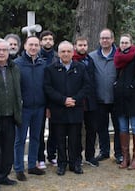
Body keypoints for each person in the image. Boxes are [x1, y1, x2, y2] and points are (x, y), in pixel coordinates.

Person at [44, 41, 90, 176]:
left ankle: (75, 163)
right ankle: (62, 163)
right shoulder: (50, 69)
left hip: (75, 108)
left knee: (75, 138)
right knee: (59, 138)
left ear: (72, 52)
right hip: (58, 109)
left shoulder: (80, 68)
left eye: (68, 51)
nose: (66, 54)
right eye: (63, 51)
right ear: (58, 53)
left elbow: (86, 86)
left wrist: (75, 99)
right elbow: (48, 88)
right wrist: (63, 100)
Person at [0, 39, 22, 191]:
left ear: (8, 52)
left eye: (4, 50)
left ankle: (4, 176)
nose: (1, 53)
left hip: (10, 115)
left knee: (8, 150)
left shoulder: (14, 68)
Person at [13, 36, 47, 181]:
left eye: (36, 45)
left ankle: (32, 165)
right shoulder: (17, 64)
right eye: (31, 45)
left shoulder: (42, 64)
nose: (33, 47)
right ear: (25, 46)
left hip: (39, 107)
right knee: (20, 139)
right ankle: (19, 168)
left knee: (35, 137)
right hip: (24, 108)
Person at [113, 34, 135, 169]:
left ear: (131, 43)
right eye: (122, 42)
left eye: (126, 42)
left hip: (134, 99)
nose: (124, 44)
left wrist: (132, 85)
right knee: (123, 128)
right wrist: (116, 84)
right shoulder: (118, 57)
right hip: (120, 99)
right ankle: (125, 157)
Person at [89, 28, 122, 164]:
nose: (105, 40)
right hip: (99, 98)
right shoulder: (92, 56)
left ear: (112, 39)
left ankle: (119, 153)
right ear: (99, 40)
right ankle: (104, 151)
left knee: (118, 127)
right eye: (102, 38)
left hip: (116, 99)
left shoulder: (120, 55)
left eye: (107, 38)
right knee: (101, 127)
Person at [73, 36, 99, 167]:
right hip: (77, 101)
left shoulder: (90, 60)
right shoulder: (72, 60)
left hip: (91, 101)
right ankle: (76, 156)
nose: (82, 47)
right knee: (77, 130)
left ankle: (90, 155)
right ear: (75, 46)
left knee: (92, 129)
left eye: (84, 45)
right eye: (80, 45)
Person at [38, 30, 59, 169]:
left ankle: (52, 155)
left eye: (50, 39)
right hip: (39, 98)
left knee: (55, 129)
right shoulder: (36, 56)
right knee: (39, 131)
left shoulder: (58, 57)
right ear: (41, 42)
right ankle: (40, 157)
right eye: (45, 39)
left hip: (54, 99)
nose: (48, 41)